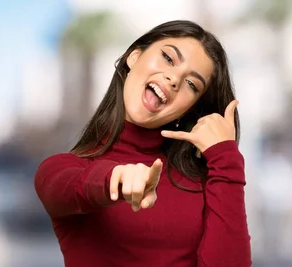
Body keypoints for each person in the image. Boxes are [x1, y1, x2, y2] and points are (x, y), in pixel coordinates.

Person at [34, 20, 251, 267]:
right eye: (169, 58)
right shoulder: (64, 169)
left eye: (192, 84)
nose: (173, 79)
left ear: (190, 108)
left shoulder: (205, 181)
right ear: (134, 57)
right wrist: (116, 179)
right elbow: (61, 187)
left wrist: (226, 158)